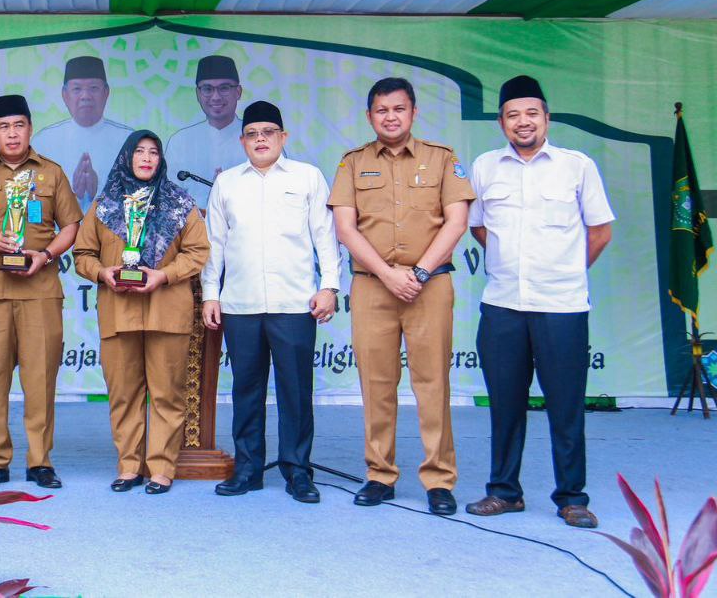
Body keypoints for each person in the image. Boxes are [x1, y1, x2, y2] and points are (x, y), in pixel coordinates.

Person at [465, 76, 614, 529]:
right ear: (501, 123)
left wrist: (565, 269)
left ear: (547, 118)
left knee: (565, 406)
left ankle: (572, 497)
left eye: (531, 113)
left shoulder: (577, 166)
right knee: (505, 405)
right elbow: (477, 227)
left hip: (563, 307)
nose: (522, 122)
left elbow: (601, 230)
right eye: (513, 115)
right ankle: (504, 492)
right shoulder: (486, 166)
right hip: (504, 305)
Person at [329, 77, 474, 515]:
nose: (390, 116)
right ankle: (380, 474)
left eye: (398, 108)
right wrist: (388, 275)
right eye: (381, 110)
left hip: (431, 285)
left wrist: (421, 270)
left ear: (413, 112)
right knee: (376, 384)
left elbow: (456, 221)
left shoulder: (442, 159)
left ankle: (438, 479)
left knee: (433, 383)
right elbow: (345, 228)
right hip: (374, 287)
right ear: (370, 115)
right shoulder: (352, 163)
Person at [201, 101, 340, 503]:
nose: (260, 139)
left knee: (295, 392)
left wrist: (329, 285)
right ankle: (248, 470)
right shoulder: (227, 183)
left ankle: (298, 471)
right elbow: (215, 245)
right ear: (242, 140)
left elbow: (324, 236)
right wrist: (211, 294)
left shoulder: (308, 177)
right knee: (245, 390)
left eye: (268, 132)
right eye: (252, 133)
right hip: (240, 305)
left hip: (295, 303)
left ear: (283, 137)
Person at [0, 94, 83, 490]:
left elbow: (71, 227)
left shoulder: (52, 173)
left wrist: (45, 255)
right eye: (3, 126)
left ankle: (40, 460)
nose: (12, 133)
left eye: (19, 125)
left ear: (30, 128)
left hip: (39, 290)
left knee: (40, 378)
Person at [74, 130, 209, 494]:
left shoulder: (181, 203)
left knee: (167, 393)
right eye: (140, 152)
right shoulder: (104, 206)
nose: (147, 158)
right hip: (120, 313)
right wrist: (102, 272)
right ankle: (129, 466)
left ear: (161, 160)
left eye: (154, 152)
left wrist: (164, 275)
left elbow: (198, 252)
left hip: (167, 311)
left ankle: (162, 468)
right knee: (123, 394)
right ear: (127, 157)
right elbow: (82, 255)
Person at [32, 55, 130, 210]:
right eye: (77, 89)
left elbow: (140, 197)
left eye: (93, 88)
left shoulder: (128, 139)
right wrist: (71, 193)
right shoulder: (43, 141)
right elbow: (34, 201)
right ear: (65, 94)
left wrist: (98, 192)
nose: (85, 96)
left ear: (106, 92)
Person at [165, 54, 248, 205]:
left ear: (238, 92)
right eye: (207, 89)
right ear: (197, 94)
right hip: (193, 226)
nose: (215, 97)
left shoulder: (258, 140)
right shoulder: (180, 141)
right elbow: (169, 199)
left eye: (224, 88)